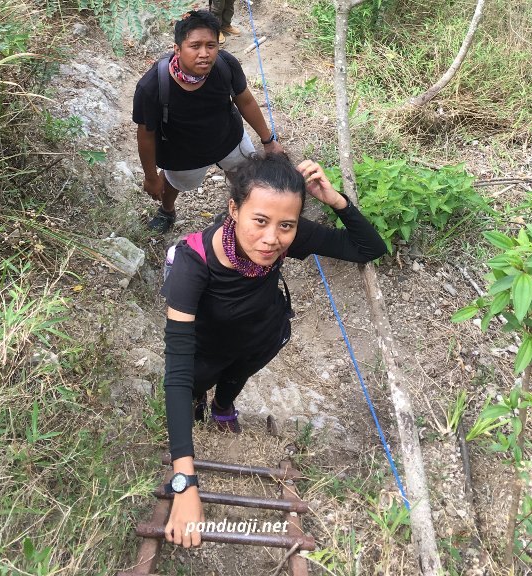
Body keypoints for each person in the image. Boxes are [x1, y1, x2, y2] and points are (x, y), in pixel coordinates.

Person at [160, 153, 388, 547]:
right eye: (260, 221)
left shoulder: (288, 236)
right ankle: (203, 404)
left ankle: (223, 406)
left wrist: (336, 201)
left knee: (236, 379)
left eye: (287, 225)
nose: (272, 239)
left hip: (262, 335)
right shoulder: (192, 263)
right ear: (234, 209)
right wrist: (185, 482)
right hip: (204, 351)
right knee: (195, 385)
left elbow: (368, 248)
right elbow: (177, 369)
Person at [133, 10, 283, 234]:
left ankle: (239, 211)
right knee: (175, 183)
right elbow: (145, 135)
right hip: (182, 153)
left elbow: (245, 101)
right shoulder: (152, 86)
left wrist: (268, 140)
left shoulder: (225, 65)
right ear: (177, 49)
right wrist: (151, 177)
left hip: (229, 138)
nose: (204, 54)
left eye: (211, 45)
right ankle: (167, 211)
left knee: (246, 178)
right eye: (195, 46)